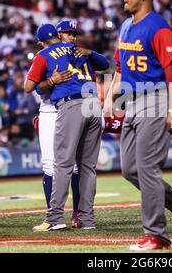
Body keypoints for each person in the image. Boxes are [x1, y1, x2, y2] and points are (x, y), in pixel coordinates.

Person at [105, 0, 172, 251]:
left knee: (147, 166)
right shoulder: (125, 26)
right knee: (130, 169)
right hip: (132, 102)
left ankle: (157, 235)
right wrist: (111, 97)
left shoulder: (159, 28)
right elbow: (120, 67)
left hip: (156, 99)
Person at [25, 23, 109, 231]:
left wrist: (50, 80)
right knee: (87, 167)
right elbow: (106, 64)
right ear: (59, 34)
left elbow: (30, 87)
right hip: (93, 105)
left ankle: (55, 218)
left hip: (71, 105)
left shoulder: (44, 53)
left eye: (73, 34)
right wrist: (90, 52)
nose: (71, 37)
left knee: (61, 165)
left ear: (41, 41)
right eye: (68, 34)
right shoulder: (79, 50)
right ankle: (87, 219)